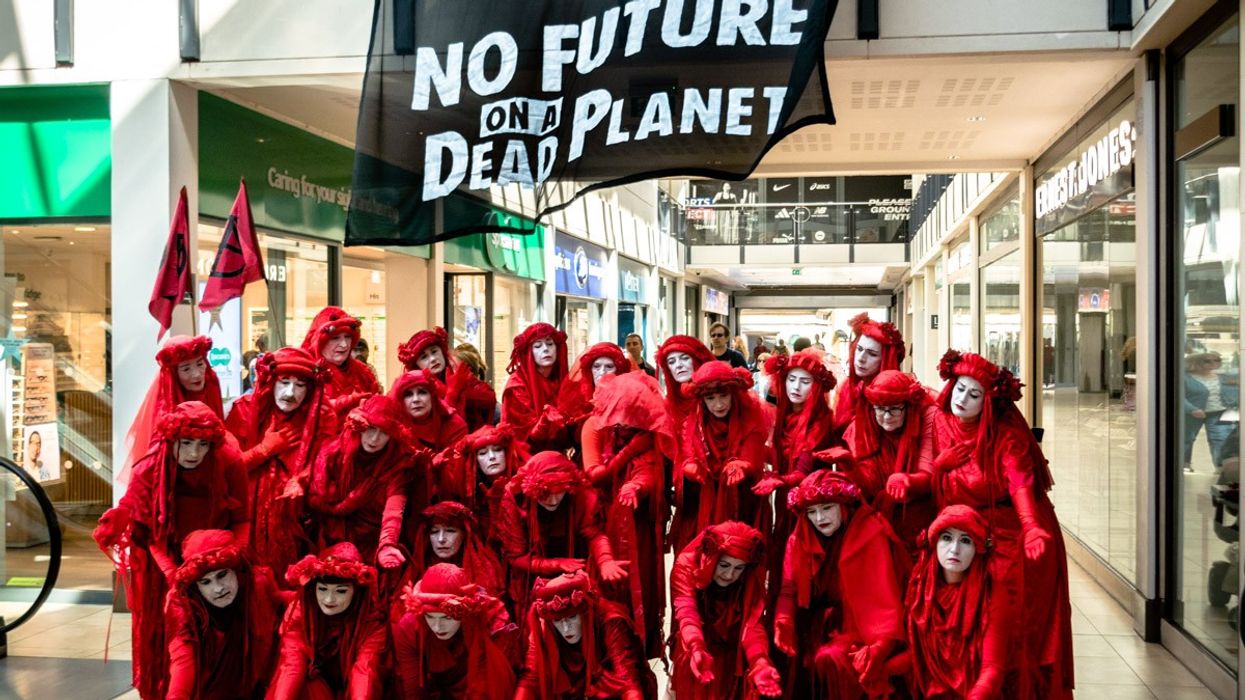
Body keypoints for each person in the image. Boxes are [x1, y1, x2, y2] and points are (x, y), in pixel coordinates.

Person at [931, 349, 1073, 698]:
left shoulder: (1005, 436)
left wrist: (1030, 525)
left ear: (989, 403)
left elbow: (1019, 481)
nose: (963, 398)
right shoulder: (940, 421)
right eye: (960, 388)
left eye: (974, 394)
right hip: (966, 537)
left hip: (1012, 537)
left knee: (1013, 626)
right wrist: (940, 466)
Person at [94, 401, 250, 700]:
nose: (193, 453)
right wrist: (173, 574)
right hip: (164, 568)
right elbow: (150, 534)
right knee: (170, 641)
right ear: (170, 440)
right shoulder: (149, 469)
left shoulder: (229, 462)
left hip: (220, 564)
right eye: (186, 443)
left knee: (223, 644)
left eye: (202, 444)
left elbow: (242, 519)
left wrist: (232, 560)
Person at [772, 470, 908, 698]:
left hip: (862, 631)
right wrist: (783, 619)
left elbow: (886, 599)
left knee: (832, 660)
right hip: (811, 630)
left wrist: (881, 647)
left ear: (844, 506)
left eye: (827, 508)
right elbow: (789, 588)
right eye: (811, 512)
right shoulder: (798, 539)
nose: (819, 519)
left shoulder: (872, 532)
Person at [580, 371, 676, 658]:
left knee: (639, 581)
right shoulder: (595, 426)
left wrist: (635, 486)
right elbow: (595, 474)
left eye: (630, 411)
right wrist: (628, 453)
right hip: (601, 516)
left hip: (638, 524)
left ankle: (635, 646)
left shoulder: (648, 437)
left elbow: (649, 472)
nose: (623, 419)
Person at [225, 346, 336, 580]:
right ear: (271, 382)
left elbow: (328, 465)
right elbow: (226, 471)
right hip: (249, 521)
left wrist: (304, 479)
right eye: (284, 382)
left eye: (300, 385)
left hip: (301, 523)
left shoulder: (320, 417)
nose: (290, 392)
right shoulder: (244, 411)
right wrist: (264, 450)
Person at [498, 451, 628, 625]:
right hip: (530, 579)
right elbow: (515, 557)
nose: (553, 500)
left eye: (559, 493)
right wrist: (557, 564)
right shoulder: (515, 497)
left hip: (576, 569)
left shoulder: (579, 492)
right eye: (545, 494)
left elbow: (594, 532)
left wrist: (606, 560)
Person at [753, 349, 840, 609]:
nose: (796, 387)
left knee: (803, 564)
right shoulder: (785, 416)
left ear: (816, 386)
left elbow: (803, 471)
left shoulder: (821, 420)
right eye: (791, 379)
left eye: (805, 381)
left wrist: (777, 480)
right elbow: (780, 455)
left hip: (812, 506)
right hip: (785, 501)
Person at [164, 529, 286, 700]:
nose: (218, 588)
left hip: (258, 687)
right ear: (196, 586)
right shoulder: (184, 607)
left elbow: (281, 599)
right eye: (205, 582)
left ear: (236, 570)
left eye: (222, 575)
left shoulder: (257, 584)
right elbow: (182, 660)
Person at [669, 521, 782, 700]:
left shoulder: (751, 577)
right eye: (723, 566)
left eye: (738, 568)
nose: (729, 575)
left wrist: (759, 660)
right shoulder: (687, 564)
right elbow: (686, 611)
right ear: (711, 557)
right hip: (695, 644)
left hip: (734, 650)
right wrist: (696, 645)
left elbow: (752, 625)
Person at [297, 395, 414, 568]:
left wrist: (387, 544)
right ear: (359, 426)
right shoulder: (332, 453)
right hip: (328, 542)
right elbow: (314, 499)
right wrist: (349, 504)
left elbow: (394, 508)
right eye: (371, 429)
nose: (374, 439)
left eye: (384, 433)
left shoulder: (396, 462)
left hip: (371, 544)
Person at [904, 505, 1007, 700]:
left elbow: (993, 667)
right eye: (946, 538)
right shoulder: (919, 587)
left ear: (978, 547)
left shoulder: (992, 593)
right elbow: (916, 656)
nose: (954, 549)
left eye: (966, 540)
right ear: (934, 542)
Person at [671, 361, 771, 554]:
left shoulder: (750, 419)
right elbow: (686, 452)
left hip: (743, 501)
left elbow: (752, 449)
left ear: (733, 394)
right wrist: (690, 465)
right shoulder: (693, 424)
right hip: (703, 504)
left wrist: (743, 464)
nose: (718, 404)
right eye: (710, 398)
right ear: (702, 400)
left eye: (724, 395)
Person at [269, 542, 387, 699]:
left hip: (350, 687)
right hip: (313, 688)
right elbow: (292, 663)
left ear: (356, 592)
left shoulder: (371, 620)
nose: (329, 599)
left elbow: (365, 670)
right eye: (322, 589)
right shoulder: (301, 611)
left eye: (341, 591)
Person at [516, 571, 656, 700]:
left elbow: (627, 680)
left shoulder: (611, 621)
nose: (566, 629)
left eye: (572, 617)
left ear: (585, 612)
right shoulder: (545, 627)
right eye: (558, 621)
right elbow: (530, 678)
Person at [842, 369, 939, 552]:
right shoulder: (862, 425)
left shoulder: (928, 416)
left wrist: (908, 480)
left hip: (922, 517)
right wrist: (850, 466)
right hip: (880, 522)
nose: (886, 416)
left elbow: (928, 474)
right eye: (880, 408)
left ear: (908, 405)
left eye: (894, 408)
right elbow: (868, 487)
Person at [392, 563, 517, 699]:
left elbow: (492, 684)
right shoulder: (409, 628)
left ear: (464, 614)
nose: (438, 627)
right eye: (430, 617)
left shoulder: (491, 619)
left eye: (447, 617)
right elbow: (413, 692)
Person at [121, 335, 226, 488]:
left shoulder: (211, 385)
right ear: (174, 374)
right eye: (186, 368)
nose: (196, 374)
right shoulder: (163, 407)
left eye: (200, 364)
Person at [437, 424, 530, 551]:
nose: (492, 457)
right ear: (476, 462)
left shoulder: (525, 483)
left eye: (497, 449)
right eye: (483, 453)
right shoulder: (473, 493)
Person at [399, 327, 498, 432]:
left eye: (434, 351)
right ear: (416, 365)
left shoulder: (457, 372)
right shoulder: (415, 390)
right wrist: (452, 392)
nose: (433, 359)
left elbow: (489, 398)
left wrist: (457, 390)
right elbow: (441, 427)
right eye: (424, 357)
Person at [406, 501, 507, 598]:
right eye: (434, 531)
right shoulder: (417, 573)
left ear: (465, 534)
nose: (441, 539)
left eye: (450, 531)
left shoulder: (484, 574)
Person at [300, 306, 382, 417]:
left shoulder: (363, 372)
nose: (344, 345)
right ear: (318, 341)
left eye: (348, 337)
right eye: (335, 338)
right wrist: (345, 403)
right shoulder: (302, 371)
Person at [833, 313, 906, 436]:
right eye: (859, 349)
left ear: (885, 359)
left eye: (872, 354)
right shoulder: (848, 388)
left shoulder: (901, 395)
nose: (861, 358)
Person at [501, 323, 570, 447]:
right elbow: (523, 435)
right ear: (529, 352)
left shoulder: (562, 379)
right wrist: (546, 421)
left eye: (550, 344)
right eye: (537, 346)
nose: (545, 349)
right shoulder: (517, 385)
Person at [555, 341, 631, 441]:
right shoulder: (578, 400)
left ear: (618, 370)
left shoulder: (629, 399)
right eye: (596, 366)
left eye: (609, 367)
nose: (602, 372)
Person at [1184, 351, 1240, 472]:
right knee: (1186, 439)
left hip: (1218, 412)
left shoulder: (1223, 377)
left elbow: (1234, 392)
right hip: (1192, 413)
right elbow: (1177, 396)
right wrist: (1191, 409)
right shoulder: (1184, 378)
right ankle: (1184, 464)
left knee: (1220, 438)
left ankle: (1221, 467)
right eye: (1207, 361)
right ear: (1195, 362)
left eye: (1217, 360)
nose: (1214, 363)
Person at [655, 334, 717, 430]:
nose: (678, 365)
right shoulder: (666, 406)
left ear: (697, 360)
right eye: (671, 362)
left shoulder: (717, 395)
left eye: (685, 358)